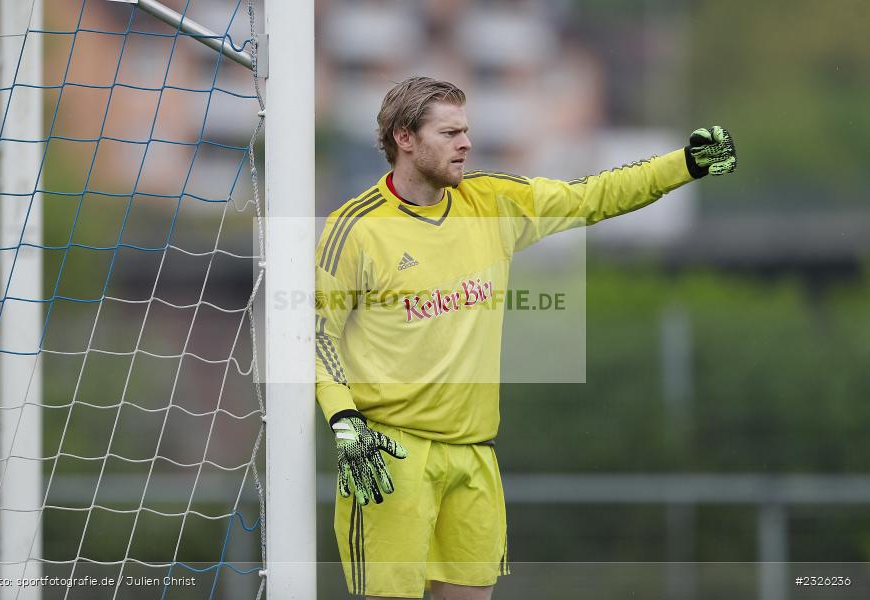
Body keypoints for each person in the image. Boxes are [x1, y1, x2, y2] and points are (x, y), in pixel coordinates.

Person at [315, 76, 736, 600]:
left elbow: (591, 197)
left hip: (474, 453)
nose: (465, 143)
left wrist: (686, 164)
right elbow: (316, 335)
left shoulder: (492, 201)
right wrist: (344, 419)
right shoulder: (354, 227)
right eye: (449, 133)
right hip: (388, 454)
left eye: (466, 131)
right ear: (404, 137)